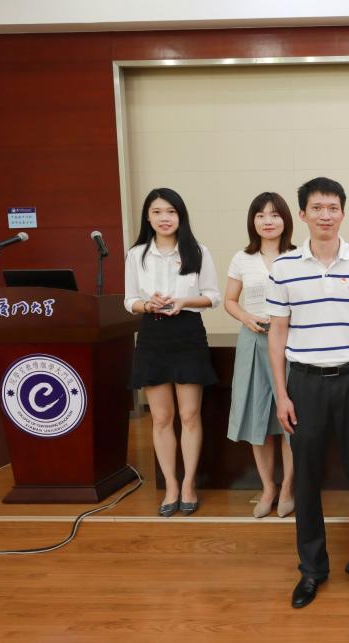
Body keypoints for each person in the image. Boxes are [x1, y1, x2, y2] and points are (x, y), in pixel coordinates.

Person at [267, 177, 349, 607]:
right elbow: (277, 333)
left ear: (343, 212)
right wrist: (282, 394)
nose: (325, 215)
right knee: (306, 478)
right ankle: (312, 569)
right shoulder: (283, 267)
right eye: (317, 208)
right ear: (302, 214)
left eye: (333, 207)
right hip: (304, 383)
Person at [124, 187, 220, 518]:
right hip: (152, 335)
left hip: (188, 332)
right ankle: (171, 486)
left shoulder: (198, 251)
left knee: (190, 415)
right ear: (147, 217)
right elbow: (128, 300)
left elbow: (213, 296)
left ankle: (189, 484)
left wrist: (184, 301)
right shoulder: (137, 254)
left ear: (180, 216)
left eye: (171, 212)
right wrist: (146, 304)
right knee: (161, 417)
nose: (164, 218)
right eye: (157, 212)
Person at [224, 192, 297, 519]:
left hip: (291, 342)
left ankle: (289, 488)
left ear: (286, 220)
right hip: (253, 340)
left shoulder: (298, 256)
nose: (268, 221)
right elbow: (230, 300)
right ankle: (268, 487)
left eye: (275, 215)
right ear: (252, 221)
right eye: (261, 215)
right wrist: (246, 317)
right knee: (258, 419)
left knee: (291, 419)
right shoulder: (242, 258)